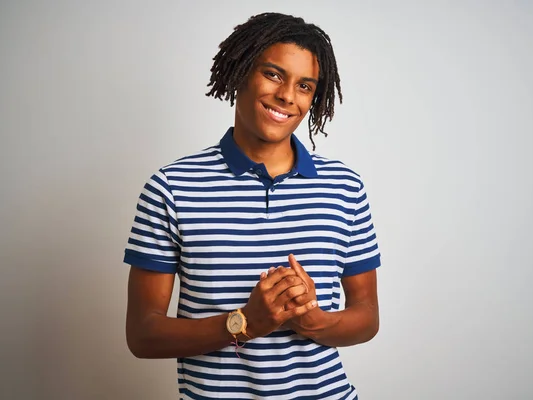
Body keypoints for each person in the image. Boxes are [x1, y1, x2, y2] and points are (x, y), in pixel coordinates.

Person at [124, 12, 380, 399]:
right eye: (274, 74)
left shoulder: (344, 187)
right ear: (240, 71)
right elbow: (143, 335)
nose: (287, 96)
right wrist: (244, 323)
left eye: (305, 86)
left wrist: (312, 321)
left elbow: (367, 317)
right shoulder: (171, 187)